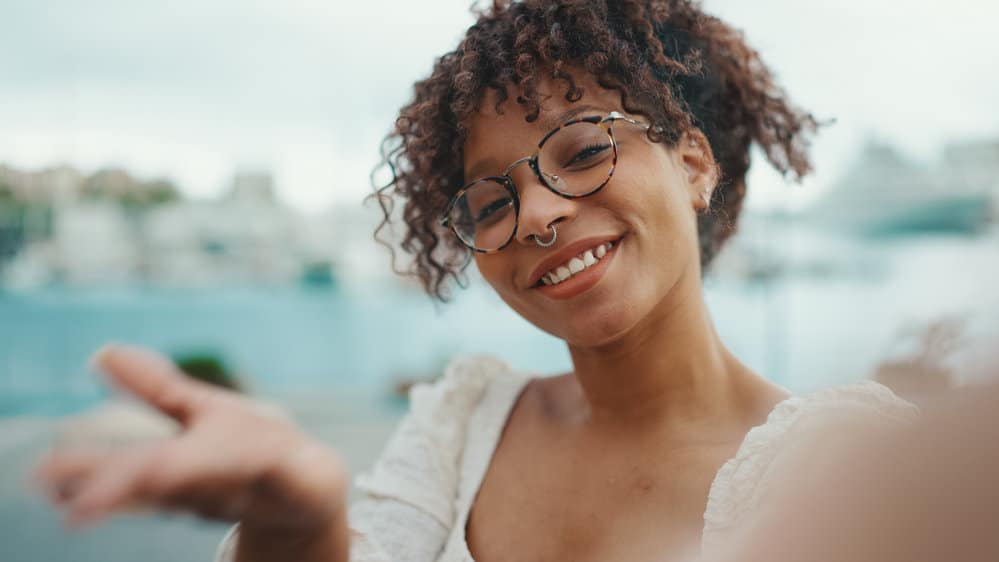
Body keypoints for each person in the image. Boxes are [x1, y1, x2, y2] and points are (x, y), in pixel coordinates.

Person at [30, 1, 919, 561]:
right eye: (489, 200)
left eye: (579, 150)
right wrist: (294, 526)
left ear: (692, 162)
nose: (533, 216)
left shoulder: (849, 468)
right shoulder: (465, 429)